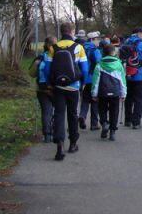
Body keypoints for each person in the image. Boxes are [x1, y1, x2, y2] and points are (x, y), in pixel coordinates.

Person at [43, 21, 89, 161]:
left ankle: (59, 144)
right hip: (73, 86)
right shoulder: (78, 47)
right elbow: (85, 69)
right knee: (72, 113)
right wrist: (83, 84)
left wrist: (50, 84)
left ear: (62, 32)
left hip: (58, 86)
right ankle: (73, 143)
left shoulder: (53, 48)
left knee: (59, 113)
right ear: (72, 31)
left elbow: (47, 69)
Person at [91, 44, 126, 141]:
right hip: (115, 92)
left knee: (102, 109)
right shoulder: (118, 65)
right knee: (114, 111)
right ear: (113, 52)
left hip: (103, 92)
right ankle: (112, 132)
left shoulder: (99, 65)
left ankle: (104, 123)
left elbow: (96, 81)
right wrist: (123, 93)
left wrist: (94, 94)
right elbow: (122, 81)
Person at [122, 27, 142, 129]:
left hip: (127, 75)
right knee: (138, 99)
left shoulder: (125, 43)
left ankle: (127, 120)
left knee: (128, 98)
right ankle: (136, 122)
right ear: (139, 34)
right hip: (139, 75)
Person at [28, 36, 57, 142]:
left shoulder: (40, 57)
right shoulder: (58, 57)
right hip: (55, 89)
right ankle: (56, 131)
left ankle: (47, 135)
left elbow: (31, 74)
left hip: (42, 89)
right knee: (58, 110)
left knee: (46, 111)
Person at [79, 31, 102, 130]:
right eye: (97, 39)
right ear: (92, 40)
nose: (99, 41)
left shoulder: (81, 48)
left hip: (83, 79)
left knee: (85, 100)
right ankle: (94, 124)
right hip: (94, 79)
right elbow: (99, 63)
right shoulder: (95, 50)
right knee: (95, 101)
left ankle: (82, 116)